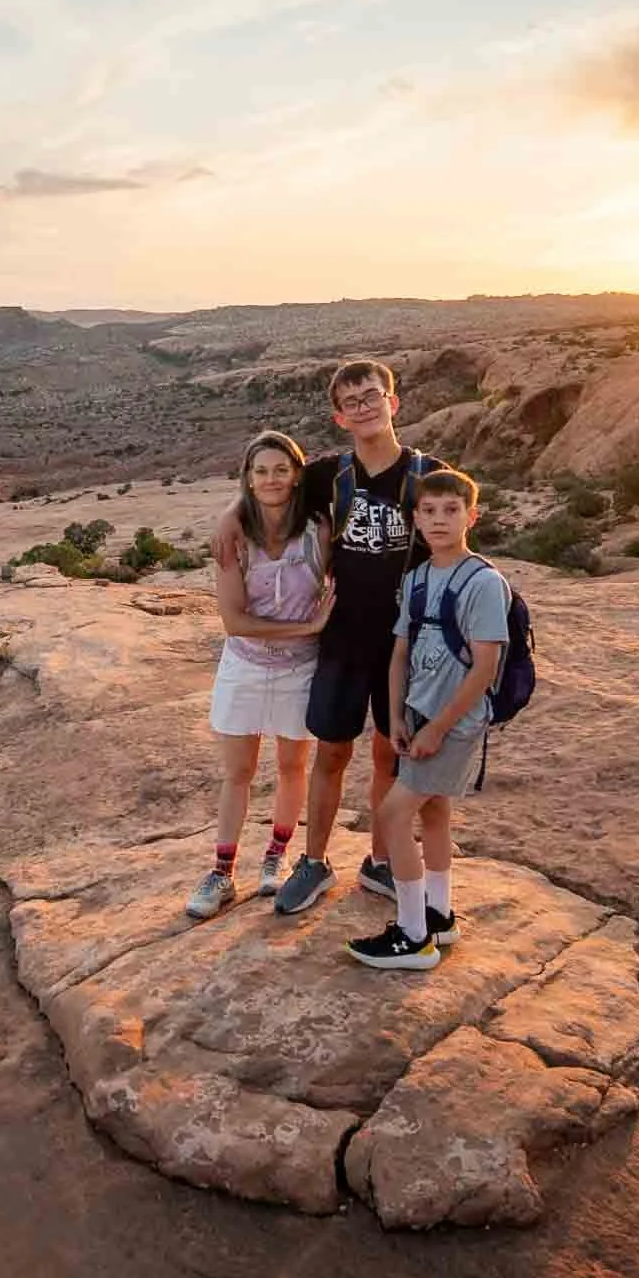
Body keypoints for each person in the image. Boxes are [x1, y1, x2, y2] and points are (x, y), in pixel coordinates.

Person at [212, 359, 457, 917]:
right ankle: (315, 861)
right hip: (343, 637)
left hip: (406, 641)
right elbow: (272, 487)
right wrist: (229, 514)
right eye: (352, 402)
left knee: (389, 753)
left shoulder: (427, 473)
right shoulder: (331, 474)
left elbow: (454, 533)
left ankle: (378, 861)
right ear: (339, 417)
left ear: (394, 403)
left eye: (373, 396)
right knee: (331, 750)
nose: (364, 407)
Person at [347, 468, 508, 969]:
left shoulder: (483, 582)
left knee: (393, 814)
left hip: (453, 724)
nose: (440, 520)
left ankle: (414, 936)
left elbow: (486, 665)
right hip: (418, 714)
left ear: (471, 515)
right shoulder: (417, 578)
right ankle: (439, 915)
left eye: (451, 510)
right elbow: (400, 653)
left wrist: (438, 727)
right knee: (434, 810)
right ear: (415, 519)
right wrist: (395, 716)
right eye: (430, 511)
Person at [187, 431, 335, 919]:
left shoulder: (318, 528)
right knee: (239, 772)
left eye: (280, 469)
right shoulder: (235, 536)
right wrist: (309, 625)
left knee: (293, 766)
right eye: (260, 471)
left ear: (296, 475)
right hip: (246, 664)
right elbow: (234, 621)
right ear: (247, 481)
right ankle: (223, 872)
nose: (271, 479)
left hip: (299, 669)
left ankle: (277, 856)